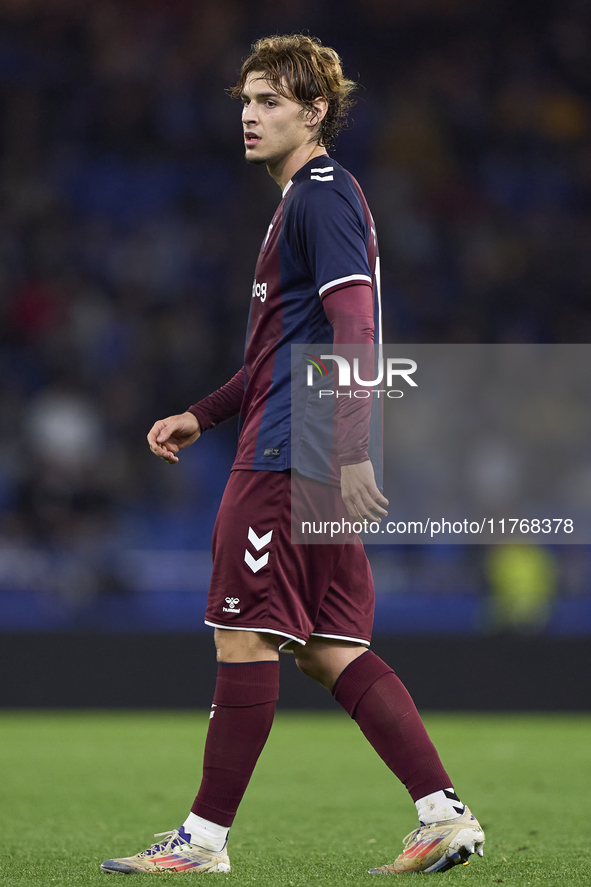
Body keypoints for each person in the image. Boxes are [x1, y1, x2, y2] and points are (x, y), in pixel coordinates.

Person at [101, 35, 484, 876]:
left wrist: (347, 452)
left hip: (293, 451)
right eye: (244, 98)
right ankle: (442, 813)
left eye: (270, 100)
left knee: (242, 635)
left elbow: (353, 330)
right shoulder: (305, 201)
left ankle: (201, 842)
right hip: (301, 437)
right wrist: (202, 414)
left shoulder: (318, 195)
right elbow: (284, 351)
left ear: (315, 112)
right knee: (325, 645)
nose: (249, 113)